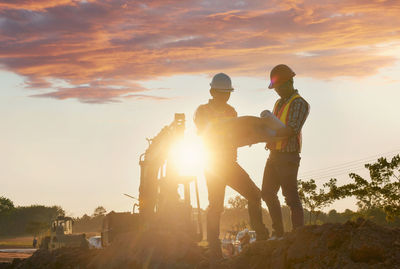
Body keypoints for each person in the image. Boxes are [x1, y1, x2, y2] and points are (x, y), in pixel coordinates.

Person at [194, 73, 269, 260]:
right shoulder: (202, 111)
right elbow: (208, 132)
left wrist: (253, 137)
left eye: (227, 93)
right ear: (212, 92)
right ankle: (214, 251)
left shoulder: (232, 111)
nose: (225, 97)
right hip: (213, 164)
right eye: (222, 93)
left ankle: (261, 237)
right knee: (216, 207)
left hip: (229, 164)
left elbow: (235, 136)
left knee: (254, 195)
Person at [261, 64, 310, 239]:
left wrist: (269, 134)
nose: (277, 91)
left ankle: (298, 235)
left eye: (279, 87)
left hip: (288, 156)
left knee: (290, 196)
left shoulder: (299, 103)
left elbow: (292, 129)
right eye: (275, 88)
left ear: (289, 82)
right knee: (267, 192)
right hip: (274, 155)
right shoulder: (279, 103)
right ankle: (278, 233)